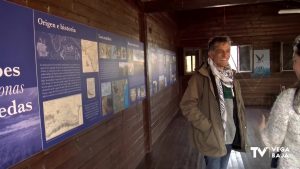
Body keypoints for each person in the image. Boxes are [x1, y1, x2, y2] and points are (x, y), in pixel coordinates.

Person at [180, 36, 247, 169]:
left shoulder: (231, 77)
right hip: (212, 135)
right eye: (220, 51)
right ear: (211, 54)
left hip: (230, 133)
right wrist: (206, 126)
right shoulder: (200, 78)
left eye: (228, 50)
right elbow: (187, 104)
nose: (225, 54)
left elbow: (236, 106)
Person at [259, 35, 300, 169]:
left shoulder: (288, 98)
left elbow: (272, 141)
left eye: (295, 60)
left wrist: (262, 130)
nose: (293, 66)